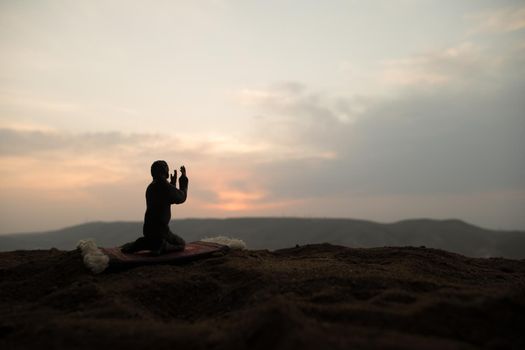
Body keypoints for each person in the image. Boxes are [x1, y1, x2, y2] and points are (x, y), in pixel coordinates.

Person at [121, 160, 189, 256]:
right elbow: (181, 197)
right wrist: (183, 179)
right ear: (165, 172)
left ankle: (143, 243)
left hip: (148, 230)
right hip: (161, 231)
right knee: (181, 244)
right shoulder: (165, 187)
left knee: (151, 240)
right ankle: (163, 245)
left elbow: (166, 199)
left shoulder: (151, 187)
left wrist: (172, 184)